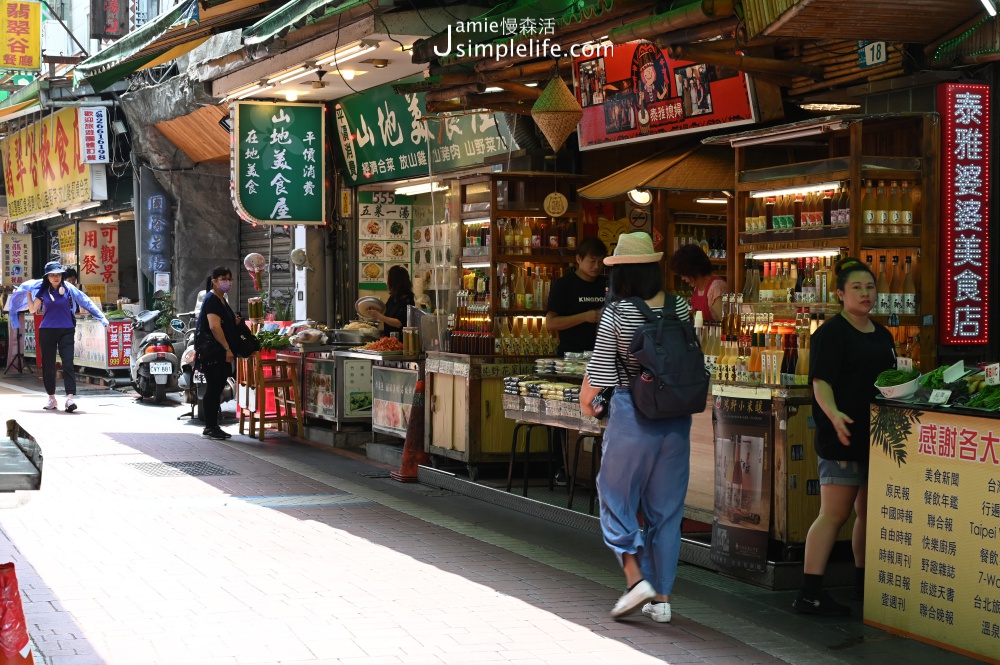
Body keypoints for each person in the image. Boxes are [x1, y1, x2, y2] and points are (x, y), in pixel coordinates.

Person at [580, 232, 692, 624]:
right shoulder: (680, 306)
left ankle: (634, 580)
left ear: (621, 274)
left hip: (633, 416)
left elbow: (599, 375)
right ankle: (661, 599)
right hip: (676, 420)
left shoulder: (617, 312)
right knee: (666, 512)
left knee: (614, 498)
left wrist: (589, 406)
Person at [793, 257, 896, 616]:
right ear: (839, 294)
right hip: (843, 434)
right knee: (833, 514)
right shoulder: (831, 333)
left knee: (868, 513)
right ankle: (810, 591)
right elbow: (821, 382)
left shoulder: (883, 335)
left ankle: (863, 583)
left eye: (870, 287)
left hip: (878, 437)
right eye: (857, 287)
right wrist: (834, 414)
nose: (866, 293)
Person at [28, 262, 108, 412]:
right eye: (52, 275)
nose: (55, 277)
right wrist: (27, 293)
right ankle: (51, 398)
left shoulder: (70, 289)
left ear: (62, 275)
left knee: (68, 363)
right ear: (47, 277)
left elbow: (86, 302)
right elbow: (32, 308)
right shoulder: (42, 290)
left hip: (67, 329)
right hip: (47, 330)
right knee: (48, 366)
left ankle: (70, 398)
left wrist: (102, 319)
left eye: (58, 274)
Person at [195, 266, 241, 441]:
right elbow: (214, 326)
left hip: (218, 350)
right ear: (214, 281)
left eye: (229, 278)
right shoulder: (212, 299)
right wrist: (227, 348)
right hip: (214, 352)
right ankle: (210, 426)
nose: (227, 282)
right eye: (223, 278)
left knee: (217, 386)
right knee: (214, 388)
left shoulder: (221, 300)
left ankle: (213, 426)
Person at [545, 237, 608, 354]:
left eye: (600, 261)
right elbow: (550, 323)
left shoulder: (607, 284)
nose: (596, 266)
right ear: (579, 259)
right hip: (571, 355)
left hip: (602, 355)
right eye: (592, 261)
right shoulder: (563, 285)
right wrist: (584, 317)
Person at [670, 243, 728, 322]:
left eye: (684, 274)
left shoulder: (716, 289)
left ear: (694, 270)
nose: (682, 278)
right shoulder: (697, 288)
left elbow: (726, 324)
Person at [368, 266, 415, 339]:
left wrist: (379, 316)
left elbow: (398, 323)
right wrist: (377, 310)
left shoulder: (408, 300)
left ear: (394, 282)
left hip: (400, 342)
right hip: (389, 339)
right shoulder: (393, 297)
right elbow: (387, 313)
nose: (387, 282)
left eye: (388, 279)